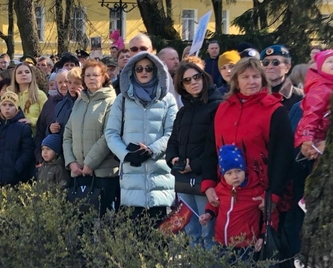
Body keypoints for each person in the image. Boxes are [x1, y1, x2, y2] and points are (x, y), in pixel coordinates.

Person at [201, 58, 294, 218]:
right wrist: (208, 184)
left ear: (263, 80)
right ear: (236, 81)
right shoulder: (222, 109)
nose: (251, 81)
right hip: (225, 195)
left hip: (260, 197)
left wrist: (274, 195)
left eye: (256, 77)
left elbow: (283, 157)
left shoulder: (275, 111)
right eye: (245, 77)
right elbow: (210, 150)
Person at [105, 51, 178, 222]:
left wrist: (152, 150)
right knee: (132, 238)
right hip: (131, 178)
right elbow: (111, 133)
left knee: (160, 239)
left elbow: (173, 132)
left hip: (160, 178)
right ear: (132, 71)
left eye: (148, 68)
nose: (144, 72)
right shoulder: (121, 100)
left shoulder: (168, 100)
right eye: (139, 69)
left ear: (156, 71)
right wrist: (126, 154)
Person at [166, 62, 222, 249]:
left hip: (204, 178)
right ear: (182, 86)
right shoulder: (183, 111)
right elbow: (173, 140)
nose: (193, 83)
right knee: (190, 233)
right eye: (187, 81)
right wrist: (172, 158)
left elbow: (213, 146)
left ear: (204, 77)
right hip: (183, 179)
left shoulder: (217, 106)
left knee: (208, 233)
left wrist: (195, 165)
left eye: (197, 77)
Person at [63, 60, 118, 215]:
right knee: (81, 224)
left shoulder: (112, 102)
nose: (91, 78)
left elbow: (108, 135)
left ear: (104, 77)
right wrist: (72, 162)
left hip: (102, 174)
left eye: (95, 75)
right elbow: (68, 134)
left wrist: (89, 164)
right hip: (79, 173)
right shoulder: (80, 101)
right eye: (88, 75)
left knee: (103, 222)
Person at [199, 145, 266, 251]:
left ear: (244, 169)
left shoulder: (256, 191)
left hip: (245, 245)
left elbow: (269, 216)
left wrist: (263, 236)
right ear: (223, 175)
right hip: (222, 242)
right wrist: (208, 214)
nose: (235, 176)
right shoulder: (221, 188)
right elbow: (215, 204)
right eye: (229, 173)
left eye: (238, 171)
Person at [0, 91, 35, 186]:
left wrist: (17, 168)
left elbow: (27, 151)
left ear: (16, 108)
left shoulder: (23, 127)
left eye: (11, 105)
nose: (7, 107)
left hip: (15, 177)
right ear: (0, 107)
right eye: (4, 104)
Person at [295, 49, 333, 159]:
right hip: (317, 135)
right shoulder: (320, 88)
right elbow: (311, 113)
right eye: (329, 61)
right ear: (320, 67)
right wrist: (307, 136)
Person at [35, 69, 68, 163]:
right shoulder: (49, 103)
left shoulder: (77, 102)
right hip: (51, 161)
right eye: (60, 82)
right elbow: (40, 131)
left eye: (66, 81)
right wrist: (40, 157)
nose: (64, 85)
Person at [7, 62, 47, 135]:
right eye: (19, 72)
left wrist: (32, 121)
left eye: (27, 72)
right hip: (13, 136)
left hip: (34, 136)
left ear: (31, 75)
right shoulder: (9, 94)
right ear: (15, 77)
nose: (24, 74)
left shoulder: (40, 95)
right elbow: (0, 113)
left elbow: (47, 117)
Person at [260, 45, 303, 112]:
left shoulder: (299, 97)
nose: (270, 66)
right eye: (265, 63)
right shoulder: (255, 93)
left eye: (275, 62)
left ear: (287, 67)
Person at [49, 67, 82, 142]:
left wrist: (80, 102)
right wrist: (50, 129)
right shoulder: (60, 105)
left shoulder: (89, 104)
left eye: (77, 83)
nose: (72, 86)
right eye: (69, 82)